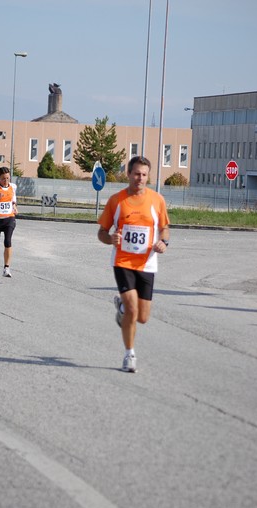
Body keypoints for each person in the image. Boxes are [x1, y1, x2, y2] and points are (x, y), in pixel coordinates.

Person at [97, 156, 170, 373]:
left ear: (148, 176)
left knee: (143, 317)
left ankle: (121, 308)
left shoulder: (157, 200)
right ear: (128, 174)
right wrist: (110, 239)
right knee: (132, 308)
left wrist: (163, 241)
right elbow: (101, 232)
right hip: (123, 261)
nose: (140, 178)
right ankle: (129, 354)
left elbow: (165, 228)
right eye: (136, 173)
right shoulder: (116, 201)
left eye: (144, 174)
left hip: (147, 264)